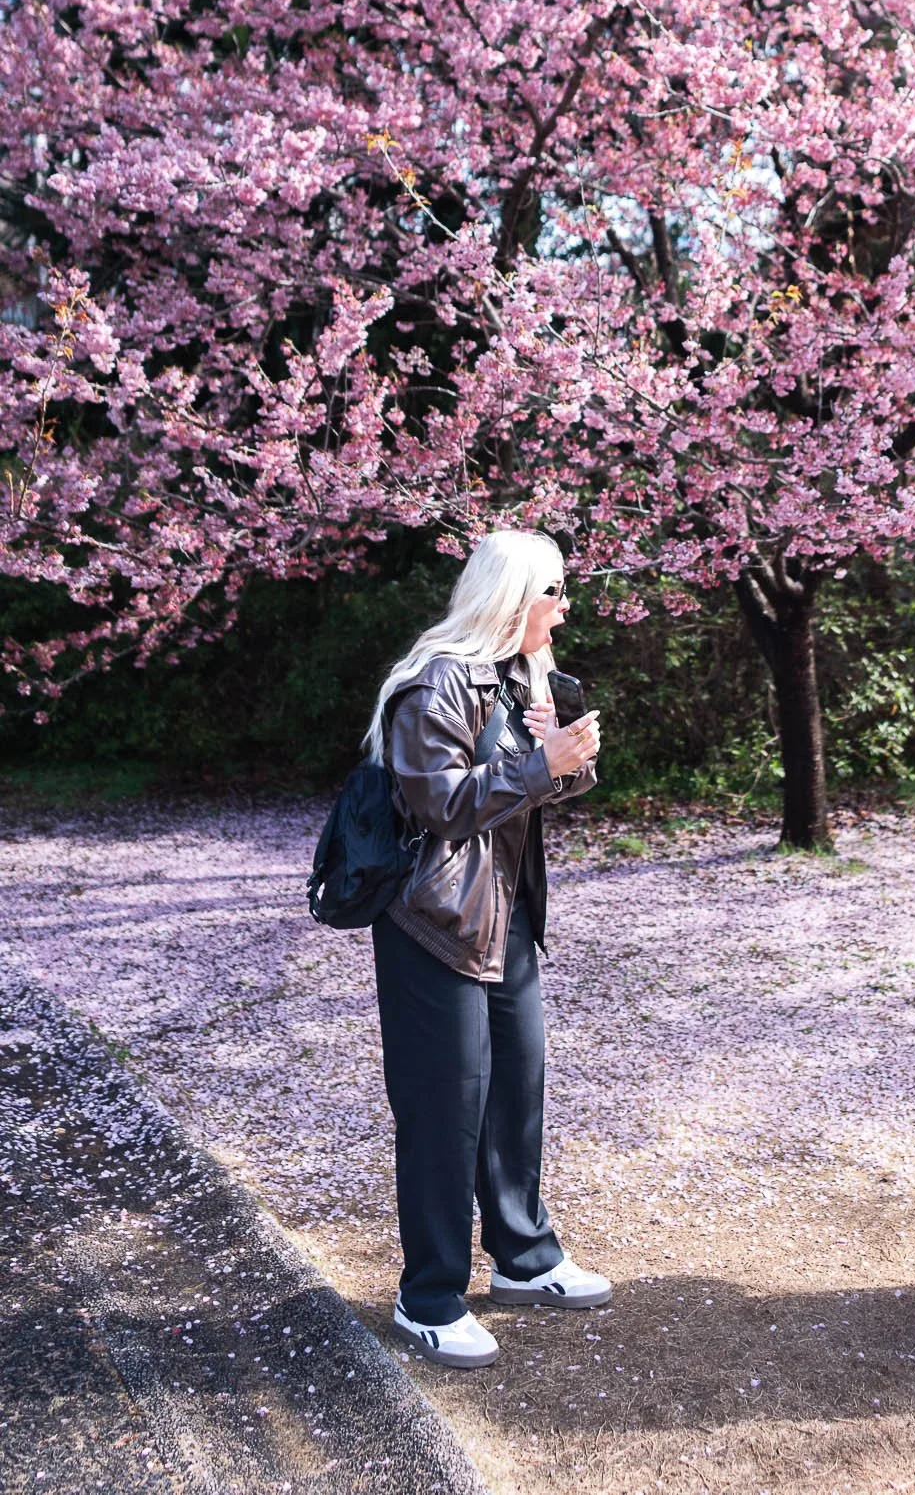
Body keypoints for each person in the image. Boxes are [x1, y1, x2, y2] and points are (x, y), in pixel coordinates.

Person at [365, 528, 610, 1367]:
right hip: (432, 921)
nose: (565, 607)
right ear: (511, 597)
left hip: (504, 916)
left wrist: (570, 759)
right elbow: (441, 808)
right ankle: (428, 1294)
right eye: (553, 592)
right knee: (445, 1110)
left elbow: (545, 789)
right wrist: (545, 764)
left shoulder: (524, 676)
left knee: (516, 1089)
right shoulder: (434, 683)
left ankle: (525, 1258)